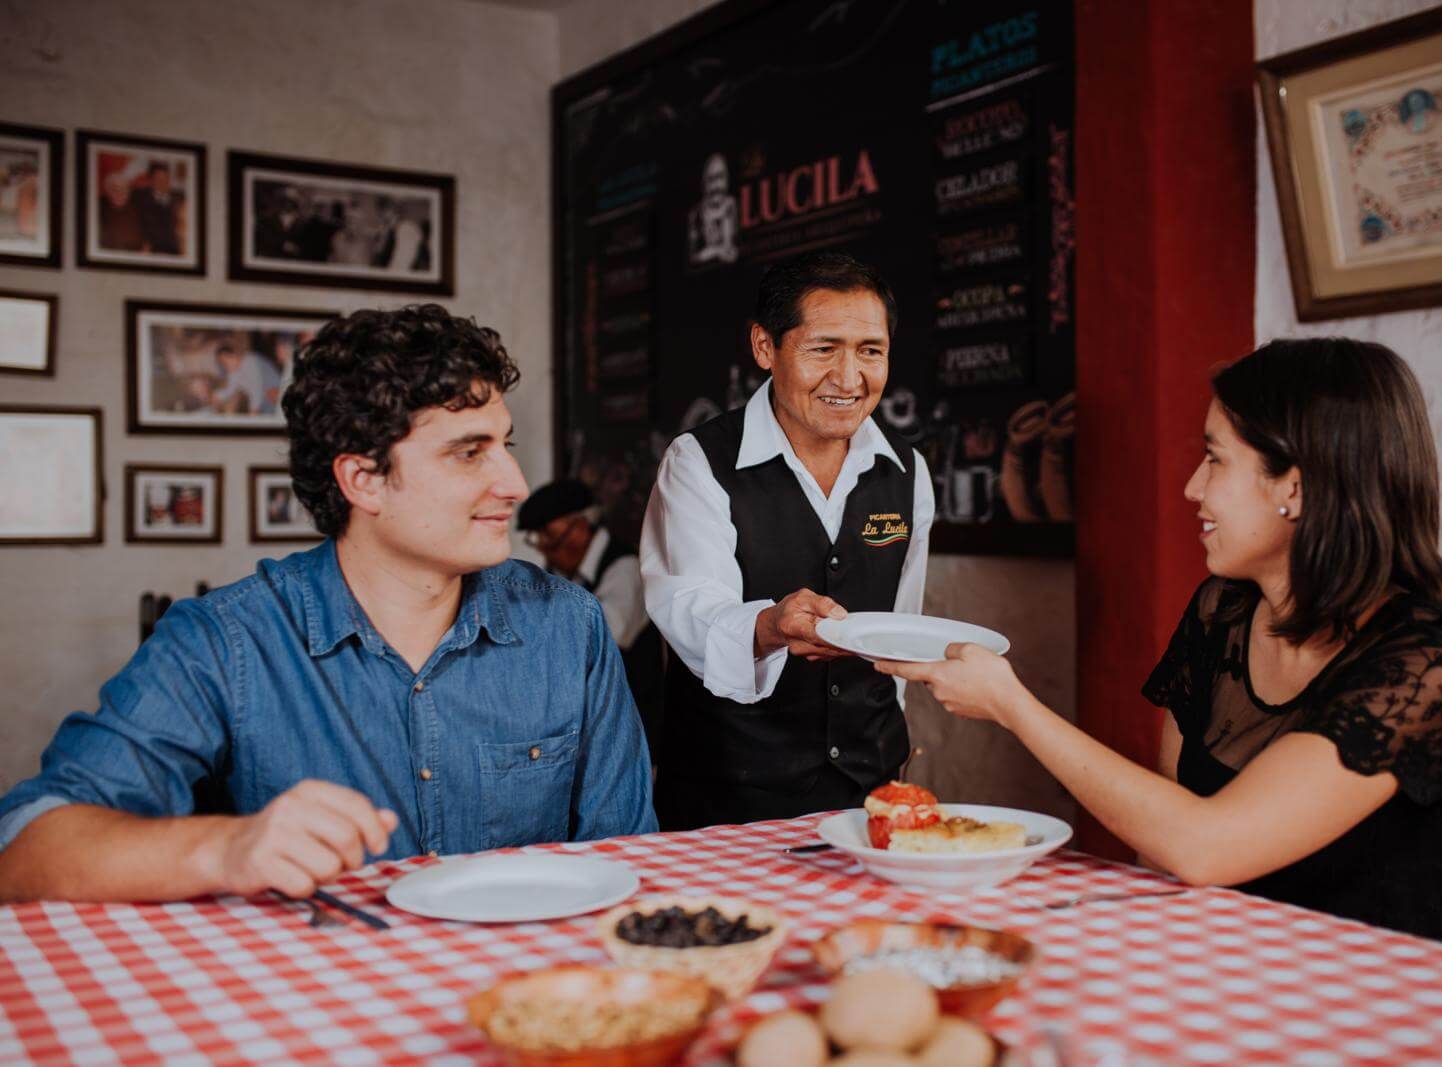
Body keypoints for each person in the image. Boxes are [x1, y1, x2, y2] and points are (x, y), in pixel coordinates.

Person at [0, 304, 655, 903]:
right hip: (313, 1006)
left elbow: (629, 861)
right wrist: (227, 848)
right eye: (469, 452)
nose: (513, 484)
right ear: (363, 480)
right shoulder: (227, 640)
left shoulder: (570, 625)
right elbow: (25, 847)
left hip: (536, 998)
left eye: (503, 444)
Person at [880, 338, 1442, 946]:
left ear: (1296, 488)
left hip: (1377, 1013)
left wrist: (1014, 707)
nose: (1192, 488)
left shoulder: (1427, 671)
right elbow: (1168, 835)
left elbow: (1204, 847)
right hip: (1226, 975)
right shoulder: (1222, 612)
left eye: (1216, 459)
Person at [641, 251, 935, 829]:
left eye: (870, 351)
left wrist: (885, 755)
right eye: (824, 349)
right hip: (731, 800)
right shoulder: (699, 461)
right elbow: (689, 608)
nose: (849, 379)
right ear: (764, 347)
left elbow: (902, 626)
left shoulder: (908, 470)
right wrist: (770, 625)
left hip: (867, 790)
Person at [519, 479, 663, 757]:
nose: (545, 550)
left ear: (580, 526)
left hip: (630, 733)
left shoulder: (625, 568)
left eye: (550, 537)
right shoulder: (559, 575)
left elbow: (602, 636)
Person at [211, 343, 280, 415]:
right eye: (222, 364)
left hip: (275, 391)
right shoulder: (233, 371)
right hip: (264, 403)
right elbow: (231, 389)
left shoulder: (250, 360)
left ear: (234, 355)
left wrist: (254, 409)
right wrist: (218, 396)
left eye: (225, 362)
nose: (225, 366)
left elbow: (256, 387)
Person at [132, 161, 181, 255]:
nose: (163, 182)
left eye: (166, 178)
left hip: (175, 249)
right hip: (151, 249)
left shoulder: (179, 197)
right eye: (158, 179)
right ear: (151, 181)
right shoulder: (139, 197)